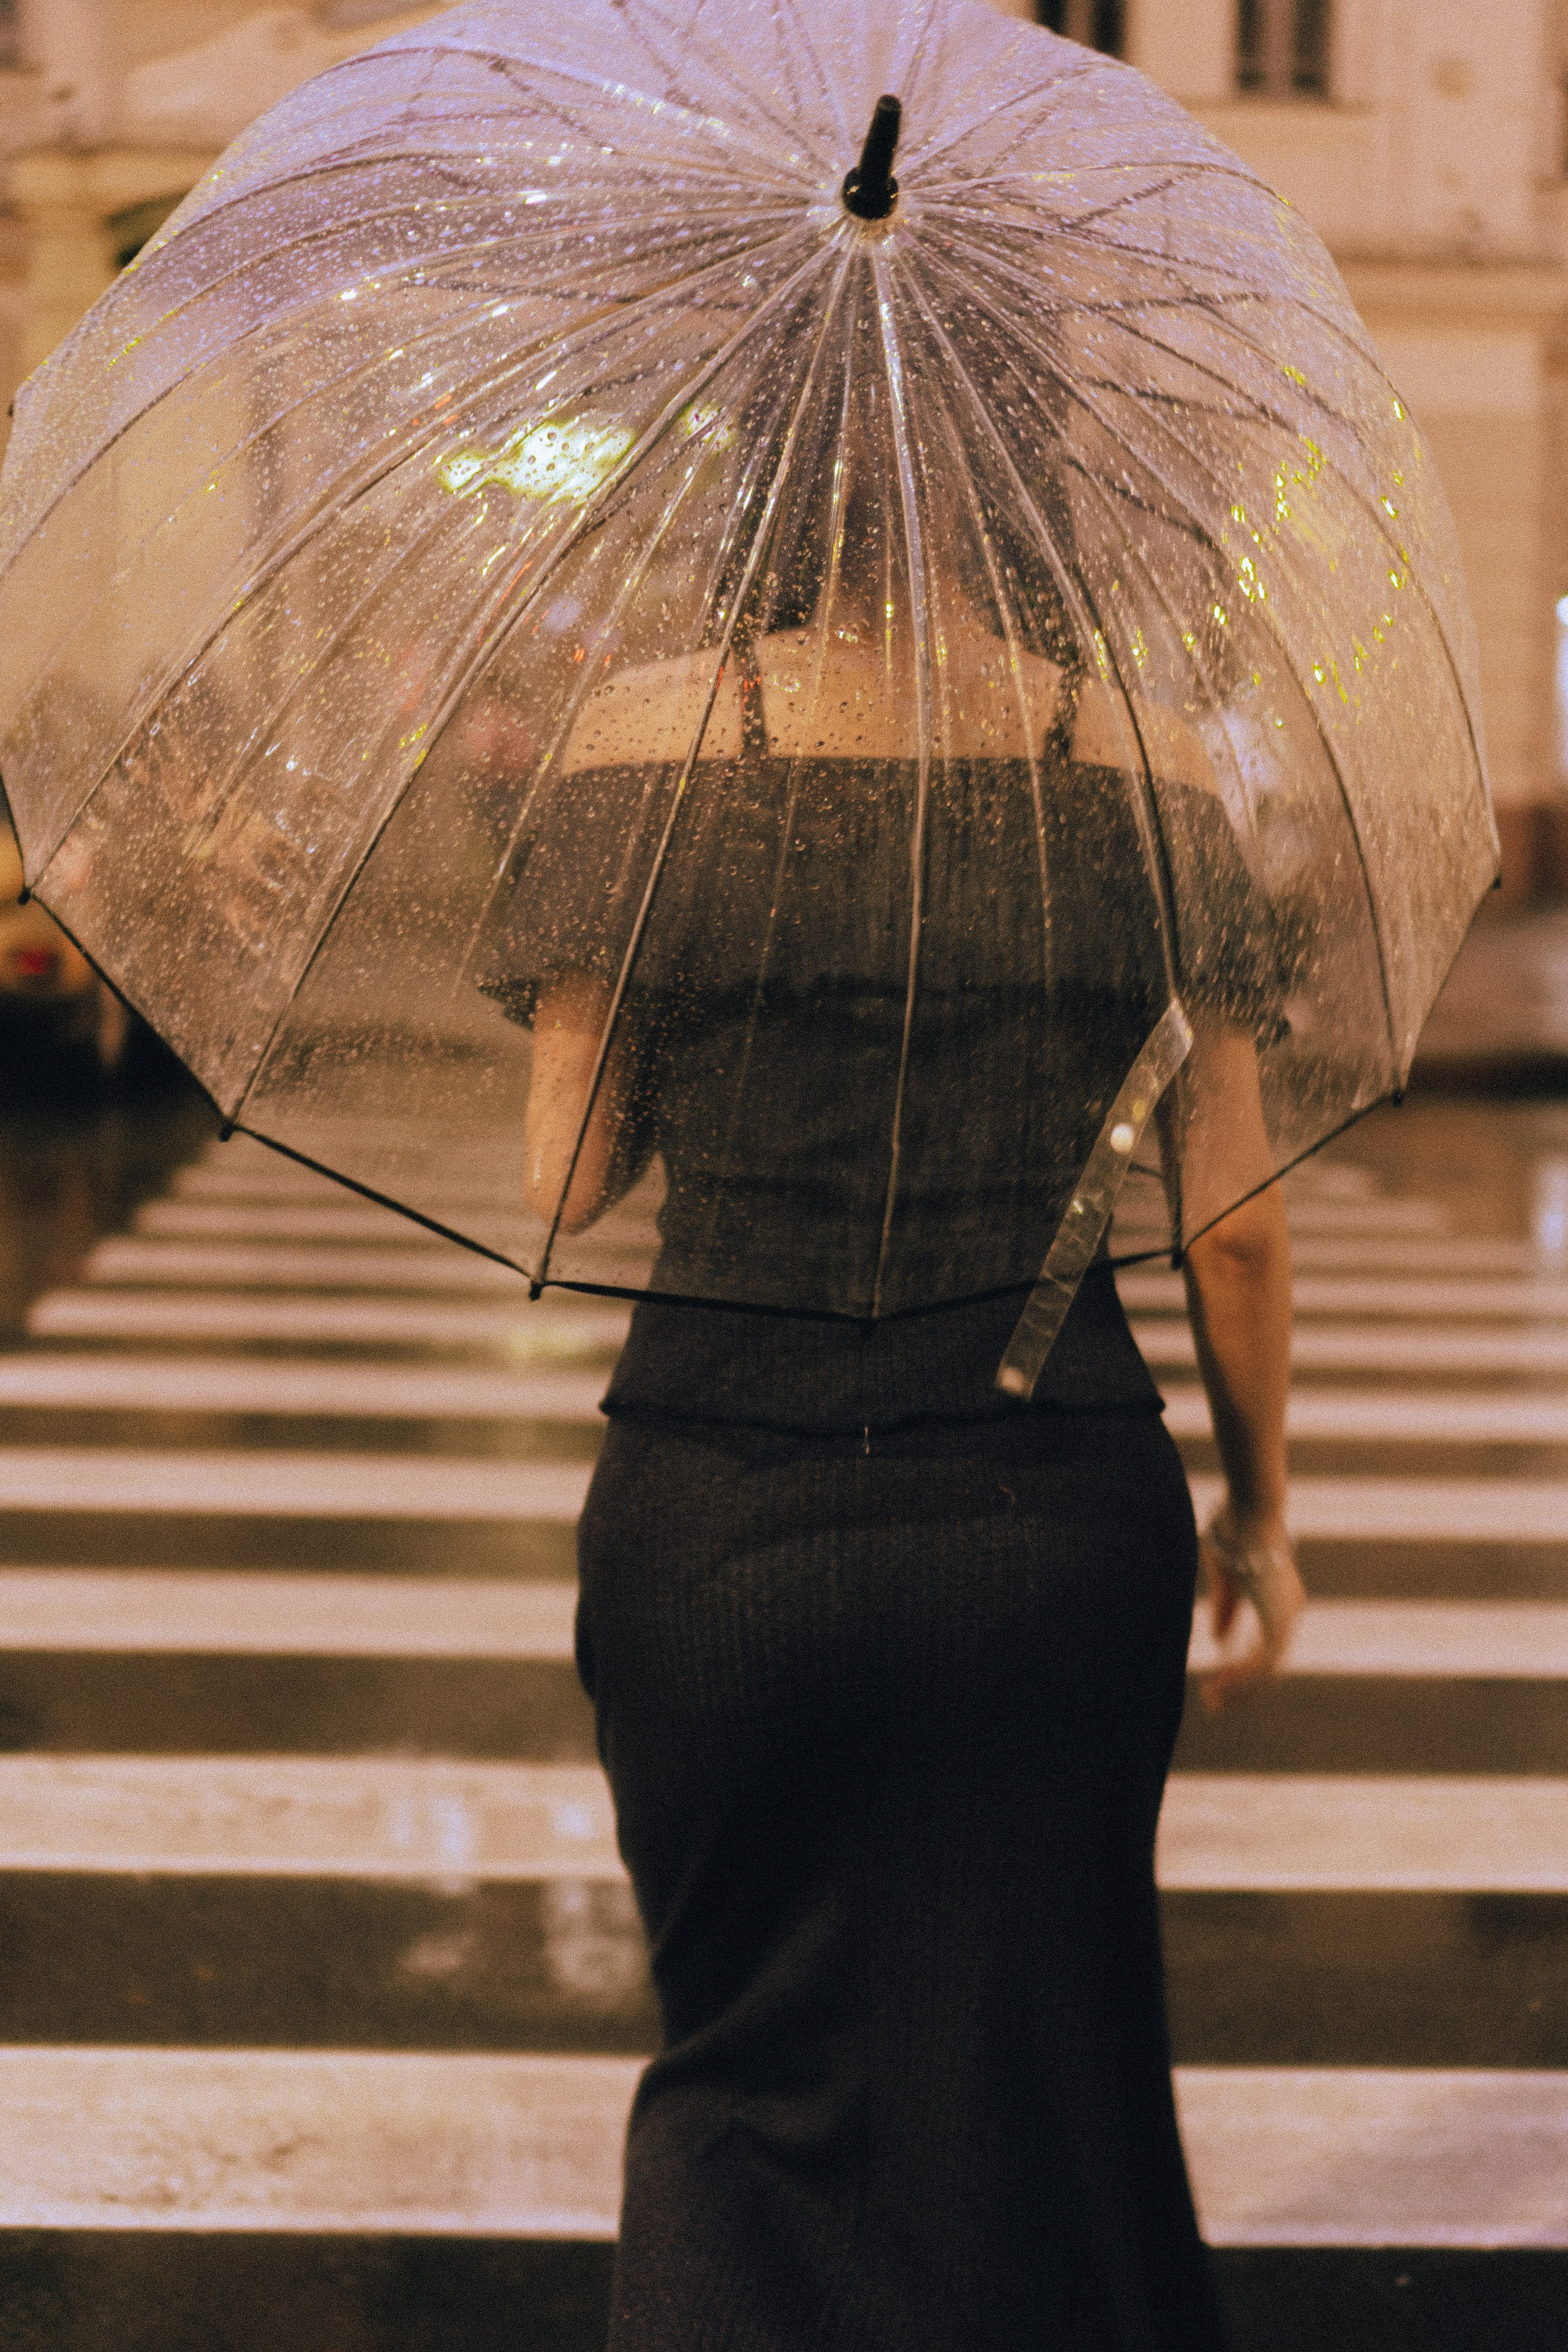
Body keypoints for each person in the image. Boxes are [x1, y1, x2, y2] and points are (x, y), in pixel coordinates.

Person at [488, 562, 1305, 2349]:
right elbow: (1230, 1224)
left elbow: (562, 1180)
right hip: (1055, 1512)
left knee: (747, 2075)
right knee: (1046, 2081)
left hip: (724, 1499)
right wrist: (1262, 1517)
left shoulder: (653, 742)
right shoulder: (1151, 769)